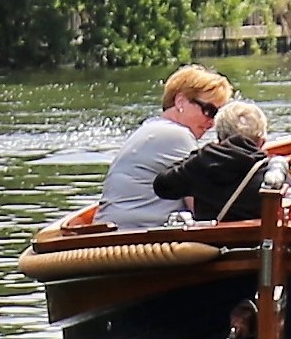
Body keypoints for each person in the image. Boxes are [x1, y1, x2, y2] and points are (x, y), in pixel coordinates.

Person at [98, 65, 233, 228]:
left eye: (218, 115)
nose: (212, 122)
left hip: (112, 232)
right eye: (209, 110)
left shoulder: (151, 128)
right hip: (134, 239)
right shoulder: (177, 136)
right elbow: (202, 208)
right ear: (180, 101)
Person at [153, 99, 272, 223]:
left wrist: (200, 155)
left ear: (219, 137)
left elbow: (162, 186)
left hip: (208, 241)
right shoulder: (271, 172)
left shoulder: (202, 163)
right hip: (256, 240)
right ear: (262, 141)